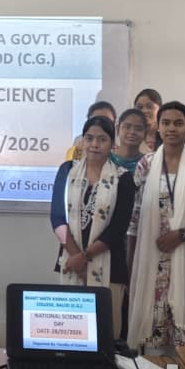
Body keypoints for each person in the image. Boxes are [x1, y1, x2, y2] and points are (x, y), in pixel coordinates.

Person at [127, 101, 185, 349]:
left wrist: (181, 234)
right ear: (158, 127)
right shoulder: (146, 164)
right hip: (151, 255)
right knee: (154, 330)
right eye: (166, 123)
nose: (171, 128)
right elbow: (135, 216)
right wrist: (130, 262)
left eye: (178, 123)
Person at [50, 116, 135, 339]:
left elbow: (118, 227)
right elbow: (57, 217)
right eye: (89, 138)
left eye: (102, 139)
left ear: (112, 144)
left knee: (105, 333)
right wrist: (76, 257)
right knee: (71, 332)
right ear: (83, 141)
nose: (95, 145)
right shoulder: (67, 171)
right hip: (71, 261)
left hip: (110, 265)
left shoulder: (123, 178)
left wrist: (85, 257)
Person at [134, 89, 163, 153]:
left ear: (160, 110)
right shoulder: (130, 137)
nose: (144, 111)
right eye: (139, 107)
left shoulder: (167, 136)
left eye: (149, 107)